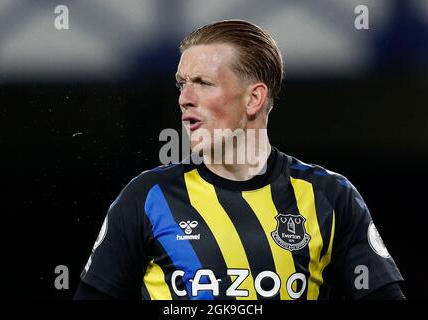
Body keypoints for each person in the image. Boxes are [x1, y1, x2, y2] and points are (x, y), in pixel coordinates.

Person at [74, 20, 405, 300]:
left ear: (254, 98)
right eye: (181, 84)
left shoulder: (329, 197)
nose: (184, 99)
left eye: (203, 83)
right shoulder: (148, 197)